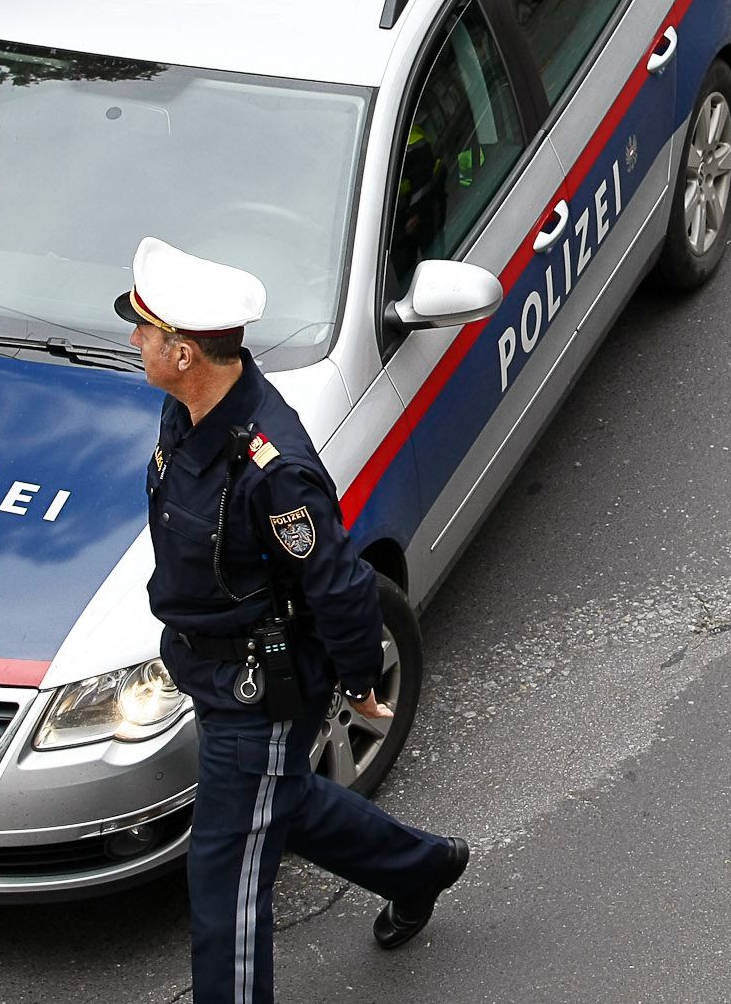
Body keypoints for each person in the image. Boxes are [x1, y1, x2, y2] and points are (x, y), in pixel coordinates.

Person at [118, 236, 469, 1003]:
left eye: (145, 327)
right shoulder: (188, 415)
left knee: (227, 883)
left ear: (183, 353)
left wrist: (358, 678)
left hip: (259, 694)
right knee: (287, 802)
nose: (134, 336)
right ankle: (422, 865)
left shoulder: (276, 471)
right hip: (209, 672)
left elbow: (339, 583)